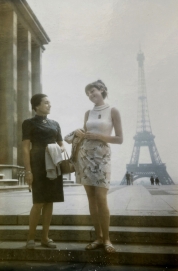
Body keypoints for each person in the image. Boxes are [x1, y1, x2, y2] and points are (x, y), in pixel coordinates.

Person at [73, 80, 123, 253]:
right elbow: (86, 133)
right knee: (91, 198)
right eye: (88, 93)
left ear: (102, 90)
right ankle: (98, 237)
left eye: (92, 91)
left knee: (101, 197)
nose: (90, 95)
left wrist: (100, 136)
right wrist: (81, 133)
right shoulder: (88, 112)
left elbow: (119, 139)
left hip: (102, 156)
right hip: (85, 155)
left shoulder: (113, 110)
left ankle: (107, 238)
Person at [22, 93, 65, 249]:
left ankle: (45, 238)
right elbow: (25, 149)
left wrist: (55, 148)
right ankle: (30, 238)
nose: (49, 105)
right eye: (46, 103)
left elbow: (61, 145)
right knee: (38, 202)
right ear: (36, 106)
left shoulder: (55, 124)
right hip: (38, 164)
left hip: (53, 164)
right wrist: (28, 171)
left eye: (49, 103)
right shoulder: (28, 123)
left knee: (49, 202)